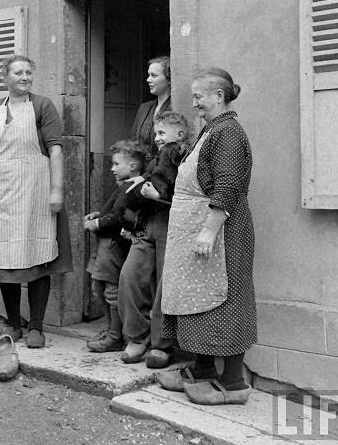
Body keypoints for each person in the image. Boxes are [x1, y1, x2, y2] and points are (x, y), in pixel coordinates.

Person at [157, 68, 256, 405]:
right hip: (200, 230)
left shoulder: (228, 133)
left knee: (226, 299)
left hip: (222, 232)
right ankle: (203, 371)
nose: (195, 103)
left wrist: (208, 232)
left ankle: (233, 384)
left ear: (219, 96)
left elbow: (228, 185)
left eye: (199, 96)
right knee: (198, 301)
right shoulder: (213, 129)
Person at [0, 54, 71, 349]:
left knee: (37, 258)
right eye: (18, 73)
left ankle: (36, 327)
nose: (25, 77)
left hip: (34, 194)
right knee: (5, 260)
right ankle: (14, 324)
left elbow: (55, 151)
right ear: (6, 77)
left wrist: (56, 190)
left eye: (29, 72)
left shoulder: (42, 107)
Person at [118, 56, 175, 365]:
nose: (149, 79)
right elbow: (134, 151)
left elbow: (172, 155)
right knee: (131, 276)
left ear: (169, 78)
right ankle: (136, 337)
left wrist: (150, 175)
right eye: (148, 74)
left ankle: (161, 345)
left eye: (155, 75)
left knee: (165, 281)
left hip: (165, 205)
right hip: (143, 205)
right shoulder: (143, 110)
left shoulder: (176, 110)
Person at [83, 140, 147, 353]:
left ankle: (115, 336)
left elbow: (122, 218)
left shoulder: (135, 188)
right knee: (97, 287)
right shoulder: (124, 186)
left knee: (111, 292)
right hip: (103, 245)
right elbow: (114, 211)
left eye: (116, 164)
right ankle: (109, 328)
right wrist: (99, 215)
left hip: (113, 246)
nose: (111, 168)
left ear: (132, 166)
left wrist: (98, 223)